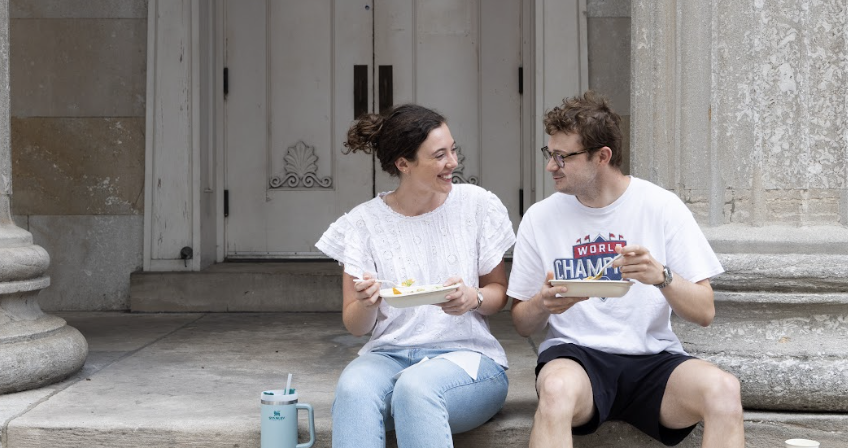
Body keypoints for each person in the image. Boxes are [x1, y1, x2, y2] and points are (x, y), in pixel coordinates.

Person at [507, 91, 745, 447]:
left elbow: (705, 311)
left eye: (562, 157)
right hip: (577, 358)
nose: (550, 166)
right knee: (555, 391)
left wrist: (662, 277)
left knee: (724, 390)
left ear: (602, 156)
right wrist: (544, 303)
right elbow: (522, 321)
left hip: (653, 360)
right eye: (549, 154)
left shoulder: (661, 206)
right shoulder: (540, 218)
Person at [316, 104, 514, 448]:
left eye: (453, 150)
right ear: (403, 164)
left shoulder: (477, 206)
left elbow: (498, 293)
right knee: (353, 389)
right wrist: (366, 303)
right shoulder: (362, 224)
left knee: (416, 388)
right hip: (388, 356)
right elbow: (356, 325)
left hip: (467, 359)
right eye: (439, 155)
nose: (453, 162)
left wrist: (473, 297)